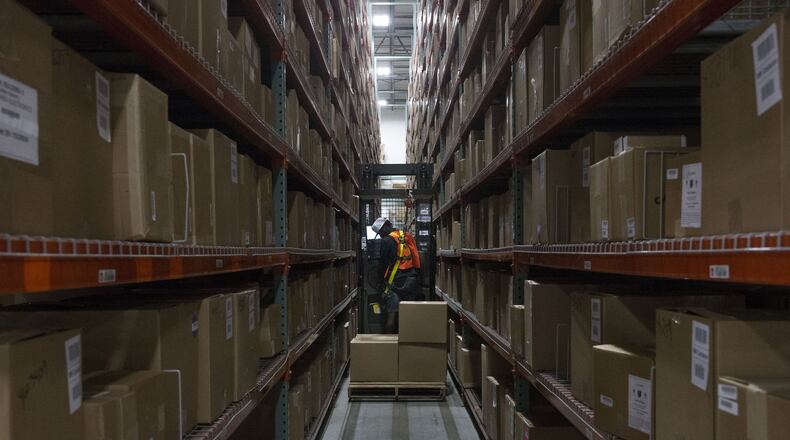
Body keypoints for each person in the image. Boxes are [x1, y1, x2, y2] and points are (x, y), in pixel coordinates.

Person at [371, 217, 422, 333]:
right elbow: (415, 256)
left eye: (379, 233)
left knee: (392, 314)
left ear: (384, 228)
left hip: (395, 281)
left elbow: (383, 263)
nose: (380, 236)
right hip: (410, 279)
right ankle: (408, 338)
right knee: (408, 313)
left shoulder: (386, 241)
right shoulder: (405, 236)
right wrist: (418, 273)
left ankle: (390, 342)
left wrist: (380, 281)